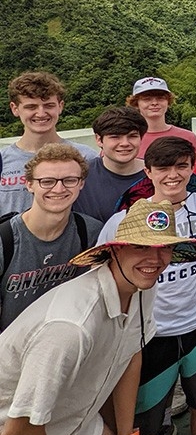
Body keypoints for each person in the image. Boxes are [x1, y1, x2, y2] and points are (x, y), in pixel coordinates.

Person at [0, 199, 196, 435]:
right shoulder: (70, 327)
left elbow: (130, 355)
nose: (155, 259)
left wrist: (123, 431)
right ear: (116, 249)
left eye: (165, 248)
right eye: (140, 246)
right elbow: (20, 426)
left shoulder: (142, 287)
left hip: (78, 417)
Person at [97, 136, 196, 435]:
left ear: (192, 169)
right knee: (146, 420)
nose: (172, 175)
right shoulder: (124, 221)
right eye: (163, 167)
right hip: (149, 333)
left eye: (181, 166)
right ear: (148, 172)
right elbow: (105, 280)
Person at [0, 144, 102, 330]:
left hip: (67, 342)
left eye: (69, 180)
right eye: (47, 181)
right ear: (29, 184)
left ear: (81, 183)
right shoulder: (5, 240)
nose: (58, 189)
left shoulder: (90, 232)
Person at [1, 71, 99, 216]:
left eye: (48, 106)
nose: (41, 113)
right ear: (15, 109)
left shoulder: (86, 157)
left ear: (60, 106)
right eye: (31, 107)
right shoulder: (2, 160)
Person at [74, 106, 148, 223]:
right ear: (99, 140)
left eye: (132, 136)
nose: (125, 143)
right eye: (115, 137)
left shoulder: (156, 175)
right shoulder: (79, 175)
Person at [127, 76, 196, 158]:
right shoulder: (128, 140)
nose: (154, 103)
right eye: (147, 99)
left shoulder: (188, 137)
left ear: (168, 102)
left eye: (160, 98)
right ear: (136, 103)